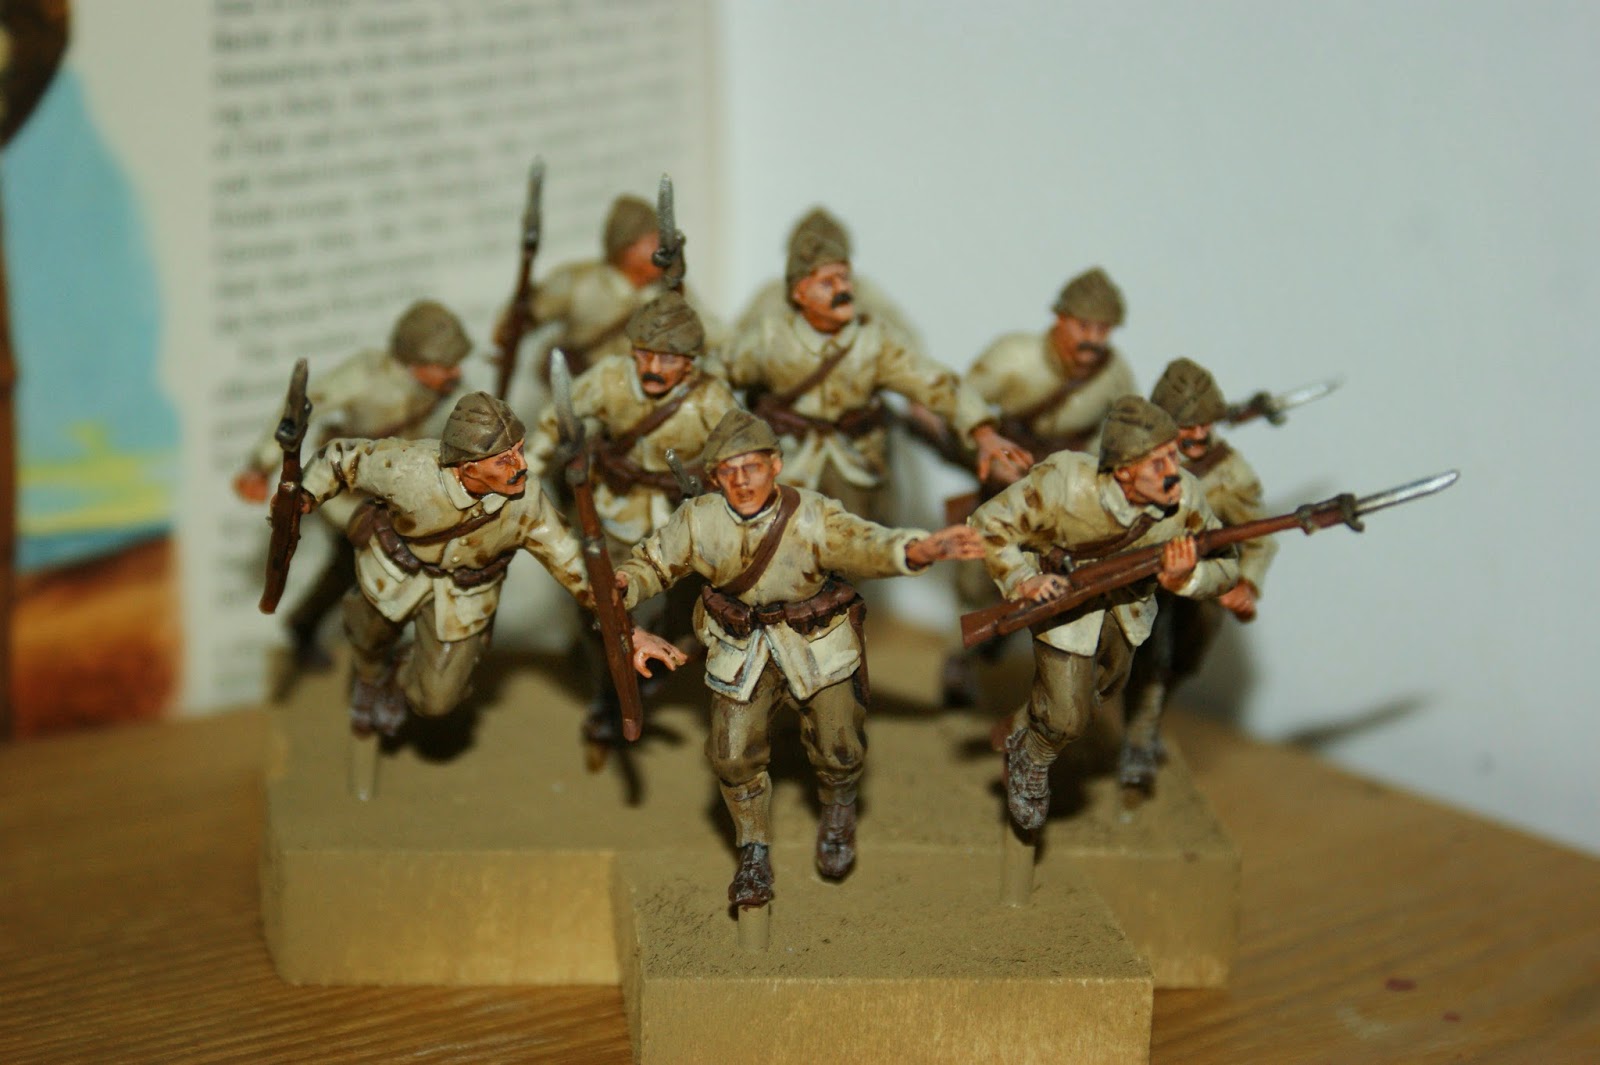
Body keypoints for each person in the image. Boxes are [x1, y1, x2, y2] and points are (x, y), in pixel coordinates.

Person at [614, 410, 983, 909]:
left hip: (816, 645)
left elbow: (866, 543)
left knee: (840, 745)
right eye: (728, 471)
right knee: (731, 755)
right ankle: (753, 848)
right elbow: (652, 563)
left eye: (752, 467)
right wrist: (625, 586)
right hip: (740, 649)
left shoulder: (813, 514)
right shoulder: (698, 520)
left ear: (776, 465)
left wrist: (918, 549)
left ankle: (839, 808)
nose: (741, 481)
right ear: (714, 477)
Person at [297, 391, 682, 738]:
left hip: (466, 596)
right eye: (504, 459)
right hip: (393, 572)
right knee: (366, 634)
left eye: (520, 450)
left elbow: (574, 563)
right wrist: (305, 495)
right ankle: (369, 678)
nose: (521, 465)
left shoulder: (526, 501)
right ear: (466, 467)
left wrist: (627, 630)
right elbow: (341, 458)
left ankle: (402, 672)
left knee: (436, 699)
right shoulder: (408, 468)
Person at [969, 396, 1238, 831]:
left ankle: (1029, 724)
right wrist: (1023, 579)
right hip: (1063, 602)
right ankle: (1031, 759)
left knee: (1103, 688)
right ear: (1124, 470)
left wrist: (1185, 579)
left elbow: (1226, 564)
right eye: (1158, 463)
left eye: (1173, 456)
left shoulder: (1185, 498)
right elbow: (986, 525)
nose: (1173, 470)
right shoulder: (1065, 482)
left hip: (1128, 607)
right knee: (1067, 716)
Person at [523, 291, 741, 747]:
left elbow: (740, 455)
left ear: (690, 362)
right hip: (614, 509)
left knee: (692, 612)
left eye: (668, 358)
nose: (653, 367)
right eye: (644, 354)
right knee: (602, 606)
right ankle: (609, 692)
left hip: (681, 520)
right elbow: (555, 422)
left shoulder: (711, 399)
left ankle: (657, 660)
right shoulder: (609, 379)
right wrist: (527, 474)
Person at [718, 226, 1030, 519]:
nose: (842, 289)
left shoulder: (875, 341)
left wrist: (982, 431)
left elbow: (933, 381)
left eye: (845, 278)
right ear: (800, 293)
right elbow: (719, 374)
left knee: (861, 537)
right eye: (828, 283)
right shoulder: (769, 339)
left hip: (859, 464)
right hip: (788, 463)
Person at [234, 300, 471, 667]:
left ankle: (324, 628)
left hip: (403, 489)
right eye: (446, 365)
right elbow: (302, 406)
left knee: (358, 570)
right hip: (353, 491)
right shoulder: (364, 375)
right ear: (417, 361)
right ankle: (360, 642)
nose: (456, 372)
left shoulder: (442, 385)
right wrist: (261, 464)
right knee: (375, 569)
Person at [1120, 358, 1277, 790]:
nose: (1197, 433)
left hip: (1198, 581)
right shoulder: (1134, 454)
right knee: (1138, 661)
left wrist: (1247, 583)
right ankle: (1136, 739)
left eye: (1204, 423)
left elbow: (1259, 537)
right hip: (1133, 578)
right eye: (1184, 425)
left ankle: (1144, 729)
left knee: (1178, 661)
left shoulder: (1230, 474)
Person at [494, 194, 725, 380]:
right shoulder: (578, 282)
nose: (663, 249)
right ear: (627, 247)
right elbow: (518, 320)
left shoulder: (671, 289)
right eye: (653, 242)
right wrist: (509, 331)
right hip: (586, 393)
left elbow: (709, 334)